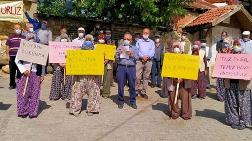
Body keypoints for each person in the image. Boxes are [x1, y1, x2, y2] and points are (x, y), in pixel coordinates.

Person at [15, 24, 45, 118]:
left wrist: (42, 74)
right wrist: (23, 70)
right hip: (24, 73)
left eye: (33, 38)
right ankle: (23, 111)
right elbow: (17, 60)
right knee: (23, 93)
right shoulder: (22, 47)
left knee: (34, 93)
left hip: (36, 73)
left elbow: (42, 62)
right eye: (30, 38)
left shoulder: (39, 49)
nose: (31, 39)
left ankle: (32, 111)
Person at [69, 34, 101, 116]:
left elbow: (99, 62)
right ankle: (76, 109)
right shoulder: (78, 53)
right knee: (77, 92)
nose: (88, 41)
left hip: (92, 76)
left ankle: (90, 109)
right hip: (80, 76)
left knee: (92, 92)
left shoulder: (96, 53)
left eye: (89, 40)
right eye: (87, 39)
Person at [224, 39, 252, 130]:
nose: (236, 45)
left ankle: (244, 122)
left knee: (244, 104)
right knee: (232, 103)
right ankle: (234, 120)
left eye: (238, 44)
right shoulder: (227, 57)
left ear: (241, 46)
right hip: (231, 83)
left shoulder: (247, 57)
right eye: (235, 44)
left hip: (243, 85)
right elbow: (222, 67)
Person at [164, 42, 192, 120]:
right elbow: (167, 70)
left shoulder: (186, 57)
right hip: (173, 81)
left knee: (185, 97)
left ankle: (186, 113)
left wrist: (182, 78)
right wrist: (175, 78)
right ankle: (174, 112)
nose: (176, 48)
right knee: (172, 97)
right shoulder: (169, 58)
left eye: (177, 47)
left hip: (184, 81)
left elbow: (189, 70)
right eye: (174, 47)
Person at [116, 33, 139, 109]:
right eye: (125, 39)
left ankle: (133, 101)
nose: (126, 40)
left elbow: (137, 58)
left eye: (128, 39)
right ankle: (120, 101)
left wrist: (131, 54)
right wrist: (118, 54)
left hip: (131, 68)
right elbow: (116, 58)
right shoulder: (120, 47)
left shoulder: (134, 48)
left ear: (131, 40)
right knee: (120, 85)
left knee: (132, 85)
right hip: (121, 67)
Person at [49, 27, 72, 101]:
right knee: (57, 79)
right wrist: (59, 63)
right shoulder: (56, 40)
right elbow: (53, 52)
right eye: (62, 32)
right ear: (60, 32)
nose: (64, 33)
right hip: (57, 64)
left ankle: (66, 95)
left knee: (68, 79)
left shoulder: (69, 41)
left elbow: (72, 54)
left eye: (65, 32)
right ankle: (55, 95)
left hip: (67, 65)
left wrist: (67, 63)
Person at [135, 28, 155, 99]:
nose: (145, 34)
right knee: (137, 76)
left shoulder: (152, 42)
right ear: (142, 33)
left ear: (149, 34)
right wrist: (142, 57)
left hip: (148, 61)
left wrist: (147, 57)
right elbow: (136, 50)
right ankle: (136, 90)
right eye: (144, 32)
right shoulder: (139, 41)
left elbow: (153, 51)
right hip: (140, 61)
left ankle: (143, 91)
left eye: (147, 33)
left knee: (146, 77)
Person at [6, 24, 25, 90]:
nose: (18, 30)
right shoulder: (10, 37)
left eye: (19, 28)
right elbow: (7, 46)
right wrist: (7, 55)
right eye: (16, 28)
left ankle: (20, 84)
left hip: (20, 56)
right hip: (12, 56)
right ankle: (12, 84)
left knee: (20, 71)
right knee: (12, 71)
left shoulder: (23, 37)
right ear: (14, 29)